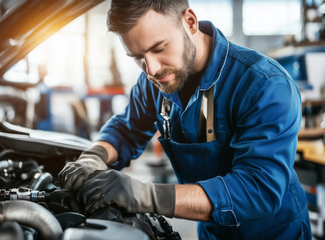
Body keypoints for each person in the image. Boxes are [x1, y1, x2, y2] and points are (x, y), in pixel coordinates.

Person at [58, 0, 311, 239]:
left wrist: (147, 195)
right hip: (213, 231)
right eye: (137, 57)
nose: (152, 69)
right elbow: (127, 129)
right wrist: (94, 156)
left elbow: (259, 190)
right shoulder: (155, 82)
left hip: (274, 234)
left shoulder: (264, 85)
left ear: (190, 22)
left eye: (159, 48)